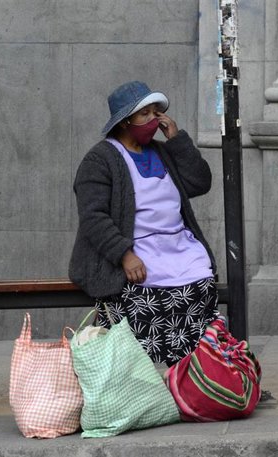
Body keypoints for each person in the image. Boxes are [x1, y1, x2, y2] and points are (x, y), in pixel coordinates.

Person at [69, 80, 218, 366]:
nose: (154, 120)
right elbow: (93, 216)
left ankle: (194, 377)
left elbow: (200, 182)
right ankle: (140, 380)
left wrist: (178, 142)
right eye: (145, 114)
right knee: (141, 298)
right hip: (134, 253)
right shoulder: (100, 159)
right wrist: (125, 255)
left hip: (178, 250)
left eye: (155, 113)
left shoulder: (162, 152)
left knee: (200, 286)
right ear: (125, 121)